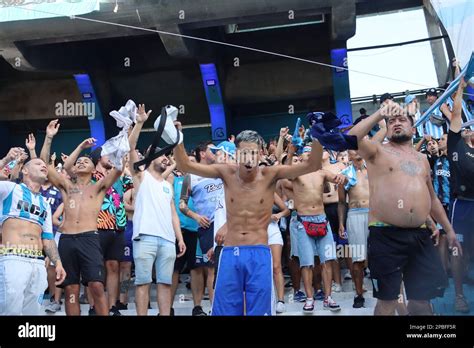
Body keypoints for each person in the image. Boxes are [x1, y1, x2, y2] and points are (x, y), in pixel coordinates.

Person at [175, 128, 323, 315]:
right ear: (237, 154)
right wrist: (177, 137)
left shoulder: (271, 173)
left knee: (259, 311)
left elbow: (313, 165)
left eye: (253, 152)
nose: (249, 157)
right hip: (229, 253)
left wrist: (318, 137)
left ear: (260, 153)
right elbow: (185, 165)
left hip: (259, 252)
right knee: (226, 312)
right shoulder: (226, 172)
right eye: (244, 152)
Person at [348, 100, 461, 315]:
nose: (396, 123)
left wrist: (449, 230)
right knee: (388, 302)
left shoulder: (422, 159)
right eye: (392, 121)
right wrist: (380, 114)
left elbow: (432, 199)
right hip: (386, 236)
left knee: (421, 301)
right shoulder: (377, 151)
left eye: (402, 119)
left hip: (420, 236)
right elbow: (351, 138)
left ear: (413, 127)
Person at [41, 119, 125, 316]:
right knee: (71, 290)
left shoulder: (98, 187)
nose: (81, 162)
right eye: (78, 161)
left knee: (96, 285)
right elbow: (45, 164)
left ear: (93, 168)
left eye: (86, 161)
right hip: (67, 241)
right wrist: (49, 137)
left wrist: (128, 135)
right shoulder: (66, 186)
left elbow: (119, 169)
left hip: (89, 238)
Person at [128, 105, 186, 316]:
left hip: (168, 240)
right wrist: (141, 123)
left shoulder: (168, 185)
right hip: (145, 238)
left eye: (167, 156)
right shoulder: (141, 177)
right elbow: (131, 147)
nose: (166, 158)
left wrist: (179, 238)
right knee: (143, 282)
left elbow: (173, 214)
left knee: (165, 284)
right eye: (162, 155)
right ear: (149, 158)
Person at [0, 150, 66, 315]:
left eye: (45, 165)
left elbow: (48, 237)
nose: (43, 166)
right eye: (38, 164)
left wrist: (57, 263)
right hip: (13, 258)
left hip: (37, 263)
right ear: (25, 170)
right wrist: (7, 159)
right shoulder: (10, 189)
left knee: (34, 314)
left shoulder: (45, 202)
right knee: (10, 311)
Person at [288, 145, 345, 313]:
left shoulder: (322, 173)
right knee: (306, 263)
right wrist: (290, 151)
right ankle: (309, 298)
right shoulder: (296, 172)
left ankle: (328, 298)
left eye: (310, 151)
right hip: (303, 220)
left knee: (327, 260)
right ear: (300, 157)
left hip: (322, 219)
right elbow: (285, 167)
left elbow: (341, 178)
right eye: (305, 152)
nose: (309, 153)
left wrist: (343, 178)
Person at [179, 141, 223, 315]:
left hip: (227, 224)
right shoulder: (191, 176)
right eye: (213, 150)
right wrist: (196, 216)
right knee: (211, 267)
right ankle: (215, 309)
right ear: (203, 153)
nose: (217, 152)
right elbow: (182, 204)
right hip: (208, 226)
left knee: (224, 266)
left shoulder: (222, 170)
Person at [446, 78, 474, 313]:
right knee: (458, 251)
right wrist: (461, 88)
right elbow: (456, 113)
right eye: (464, 127)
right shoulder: (456, 145)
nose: (466, 127)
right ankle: (458, 295)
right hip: (462, 206)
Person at [338, 150, 370, 308]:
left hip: (374, 214)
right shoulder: (344, 174)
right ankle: (358, 294)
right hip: (355, 214)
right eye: (352, 148)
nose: (357, 149)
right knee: (357, 258)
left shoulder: (373, 168)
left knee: (378, 255)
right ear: (348, 155)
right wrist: (341, 223)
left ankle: (384, 290)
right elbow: (341, 202)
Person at [171, 153, 200, 316]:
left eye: (193, 161)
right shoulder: (172, 179)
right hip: (177, 231)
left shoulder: (199, 179)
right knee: (174, 269)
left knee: (196, 269)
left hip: (196, 230)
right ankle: (167, 307)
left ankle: (197, 306)